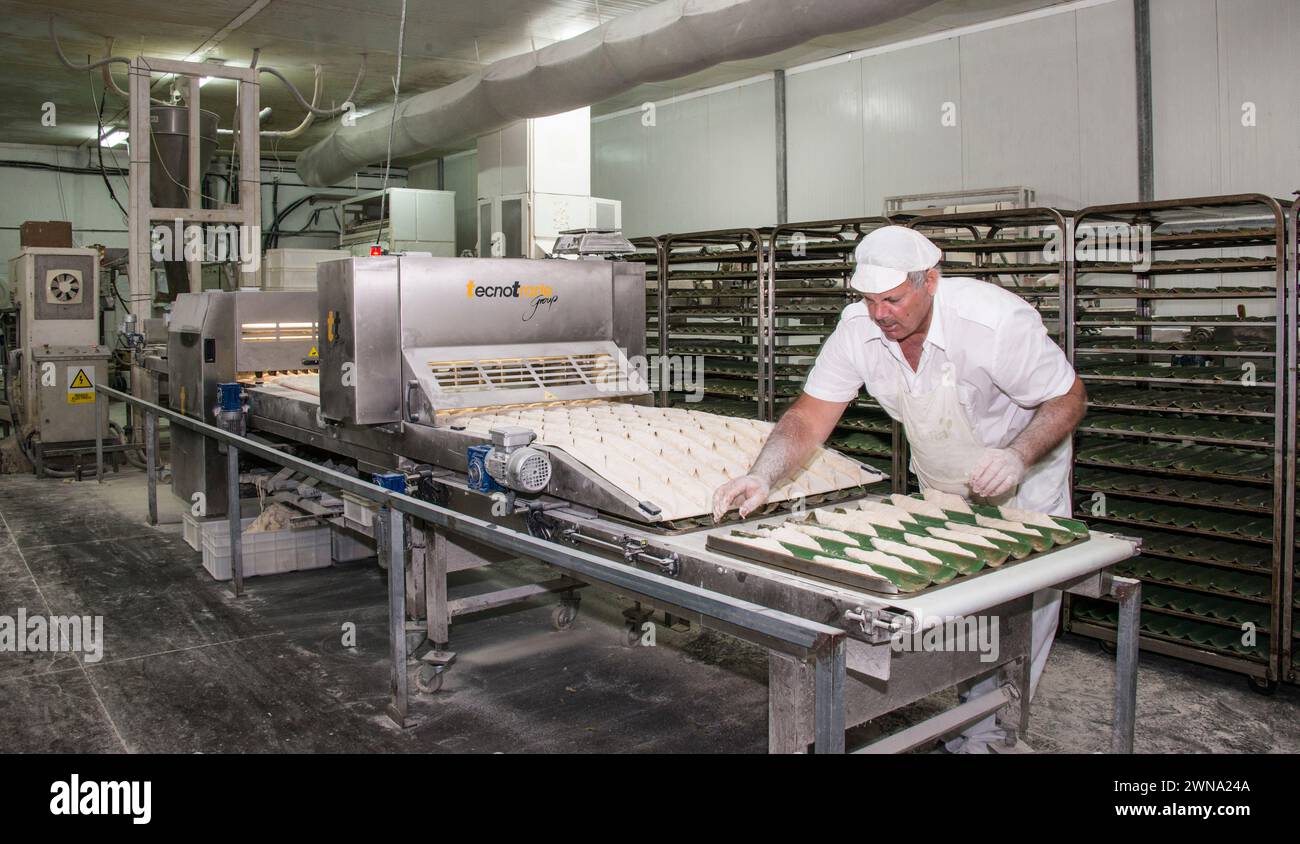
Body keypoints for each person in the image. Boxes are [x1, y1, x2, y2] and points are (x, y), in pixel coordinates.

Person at [711, 224, 1086, 753]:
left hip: (1021, 473)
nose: (880, 313)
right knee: (945, 607)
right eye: (869, 300)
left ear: (930, 281)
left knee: (1013, 609)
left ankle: (988, 734)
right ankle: (952, 714)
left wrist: (1017, 456)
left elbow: (1068, 399)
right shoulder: (857, 331)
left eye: (892, 299)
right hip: (942, 477)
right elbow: (810, 416)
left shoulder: (994, 322)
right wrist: (762, 474)